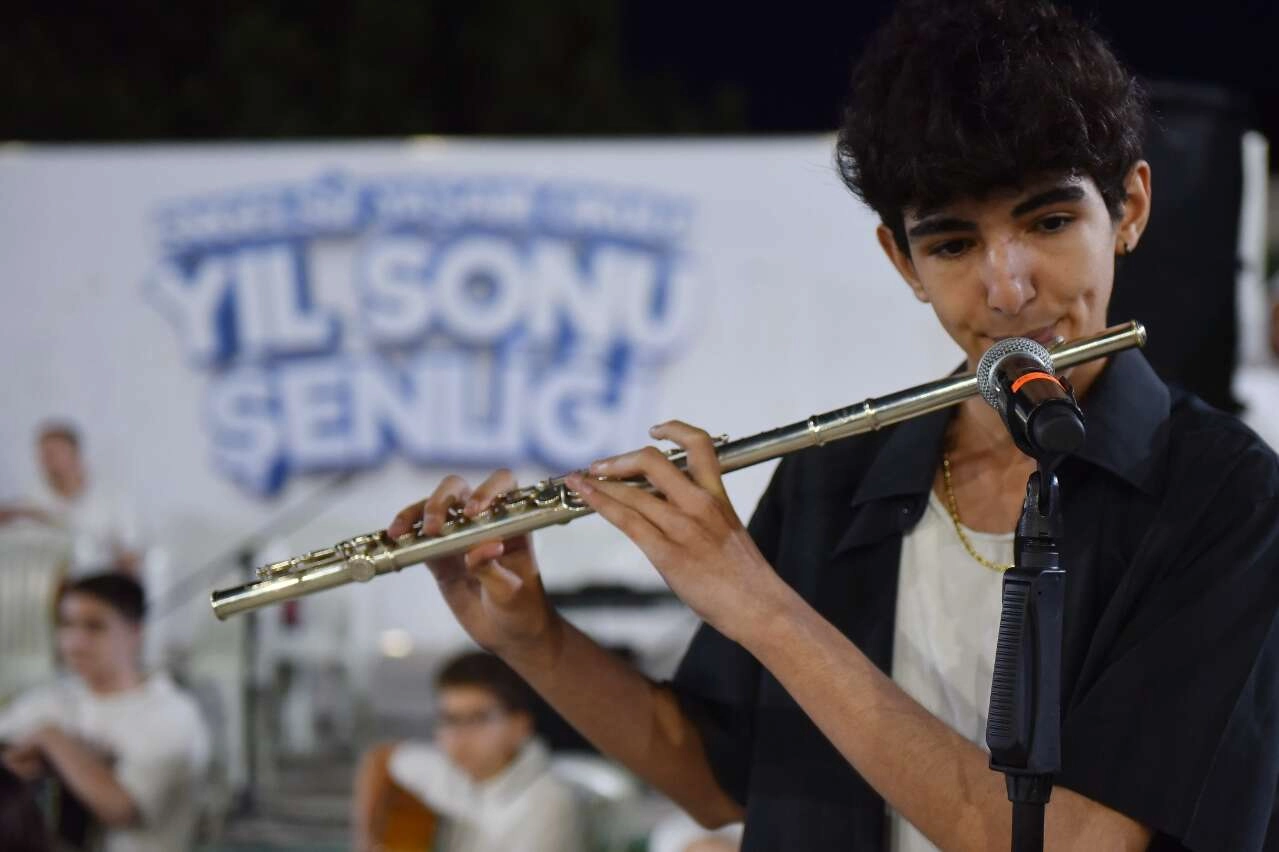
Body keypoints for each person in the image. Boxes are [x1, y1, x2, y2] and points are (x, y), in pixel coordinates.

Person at [384, 2, 1279, 849]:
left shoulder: (1226, 497)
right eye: (952, 244)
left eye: (1047, 220)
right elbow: (715, 778)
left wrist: (758, 605)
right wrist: (528, 637)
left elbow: (1076, 841)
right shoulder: (835, 477)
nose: (1006, 289)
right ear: (901, 259)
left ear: (1127, 209)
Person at [0, 573, 210, 852]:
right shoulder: (50, 698)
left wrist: (52, 741)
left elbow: (121, 809)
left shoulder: (172, 713)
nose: (75, 641)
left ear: (135, 632)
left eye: (94, 627)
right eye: (66, 624)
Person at [352, 650, 584, 852]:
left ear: (520, 726)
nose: (458, 737)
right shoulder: (455, 771)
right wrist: (367, 838)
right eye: (449, 719)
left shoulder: (549, 804)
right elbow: (379, 758)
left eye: (476, 719)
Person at [0, 422, 144, 577]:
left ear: (74, 454)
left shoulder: (112, 495)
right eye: (42, 455)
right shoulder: (33, 497)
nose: (46, 462)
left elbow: (131, 553)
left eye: (53, 454)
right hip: (48, 585)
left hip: (100, 585)